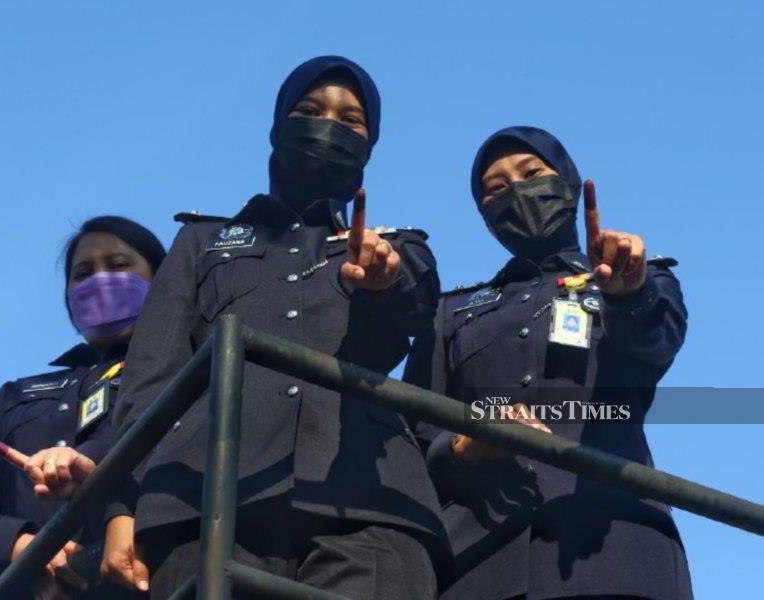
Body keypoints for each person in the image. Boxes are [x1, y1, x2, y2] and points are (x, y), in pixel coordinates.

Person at [101, 56, 450, 599]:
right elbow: (149, 383)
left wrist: (383, 279)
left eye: (351, 120)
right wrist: (121, 508)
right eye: (309, 110)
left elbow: (415, 309)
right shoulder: (202, 242)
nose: (329, 125)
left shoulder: (398, 245)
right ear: (277, 126)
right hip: (204, 502)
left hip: (367, 504)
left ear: (370, 145)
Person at [404, 126, 693, 599]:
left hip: (614, 554)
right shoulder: (450, 312)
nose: (517, 191)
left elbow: (657, 341)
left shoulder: (636, 278)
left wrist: (628, 294)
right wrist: (462, 445)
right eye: (495, 189)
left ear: (569, 182)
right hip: (481, 561)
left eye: (532, 173)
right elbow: (416, 426)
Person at [0, 216, 166, 596]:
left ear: (164, 279)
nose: (99, 281)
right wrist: (22, 545)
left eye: (119, 265)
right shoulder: (17, 395)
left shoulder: (184, 369)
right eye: (83, 273)